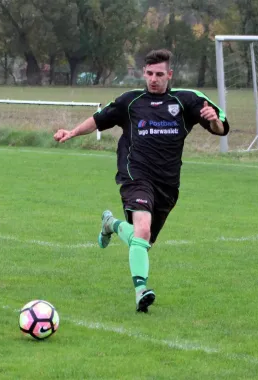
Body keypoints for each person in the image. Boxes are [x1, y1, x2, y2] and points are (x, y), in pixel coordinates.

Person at [53, 49, 230, 313]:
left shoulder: (188, 100)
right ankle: (141, 292)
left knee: (142, 241)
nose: (154, 79)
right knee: (142, 230)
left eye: (160, 74)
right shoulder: (131, 101)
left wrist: (214, 121)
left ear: (169, 74)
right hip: (135, 175)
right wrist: (72, 132)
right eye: (149, 74)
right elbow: (98, 120)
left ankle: (110, 224)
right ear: (143, 73)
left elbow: (222, 128)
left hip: (168, 184)